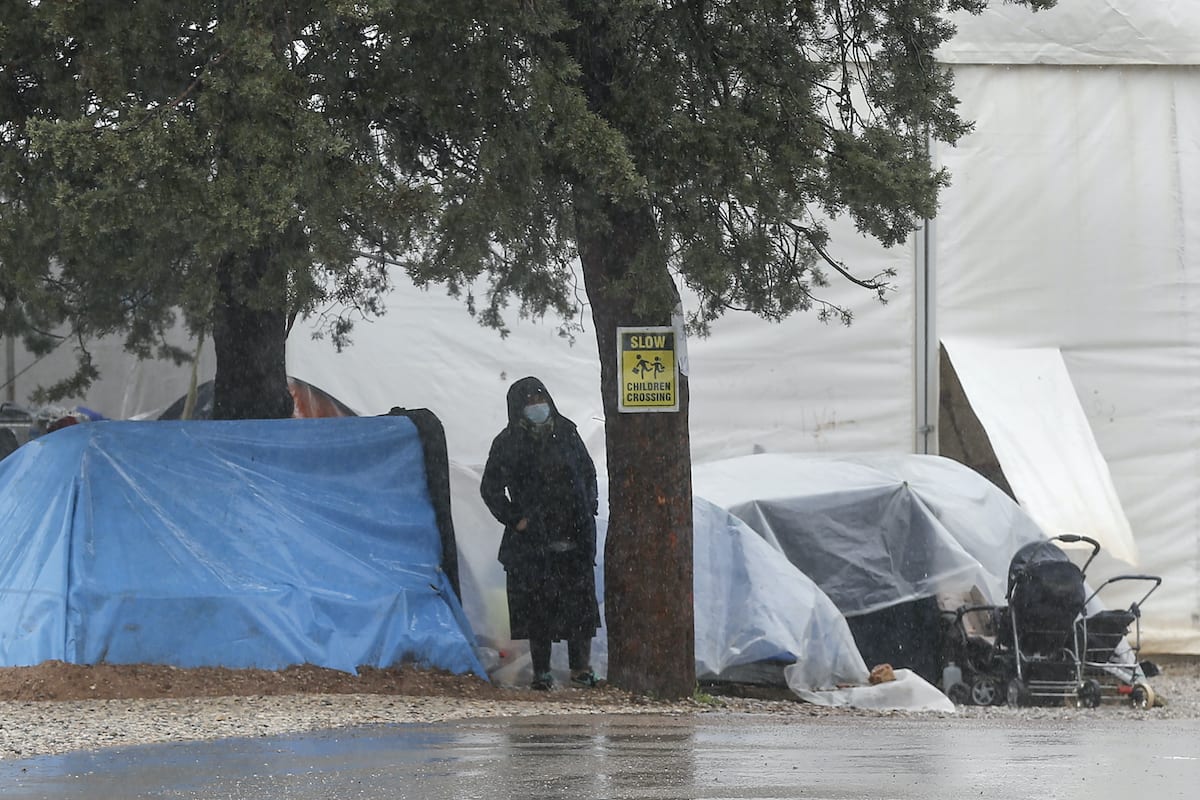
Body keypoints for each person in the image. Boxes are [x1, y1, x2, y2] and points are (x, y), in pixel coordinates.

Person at [480, 376, 601, 690]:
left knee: (579, 606)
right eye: (529, 401)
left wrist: (589, 506)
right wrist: (516, 519)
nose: (537, 406)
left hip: (574, 535)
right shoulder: (507, 443)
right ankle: (542, 673)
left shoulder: (567, 432)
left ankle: (581, 670)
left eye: (540, 398)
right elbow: (490, 489)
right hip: (532, 542)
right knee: (538, 609)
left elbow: (588, 473)